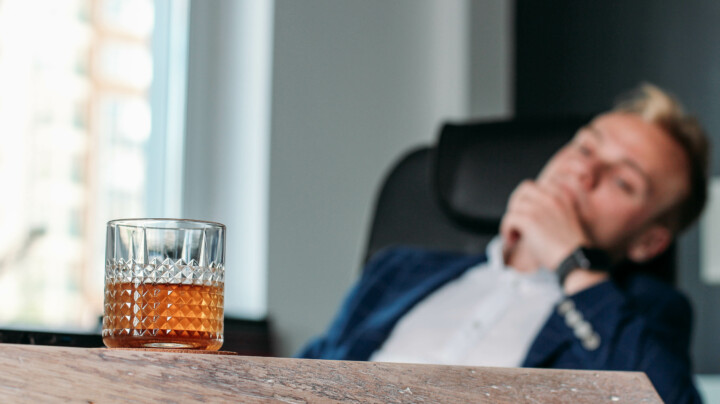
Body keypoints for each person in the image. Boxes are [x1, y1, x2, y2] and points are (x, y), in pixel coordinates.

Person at [298, 84, 709, 404]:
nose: (585, 170)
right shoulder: (398, 269)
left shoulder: (642, 314)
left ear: (649, 242)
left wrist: (571, 262)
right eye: (585, 146)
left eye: (623, 181)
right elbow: (296, 378)